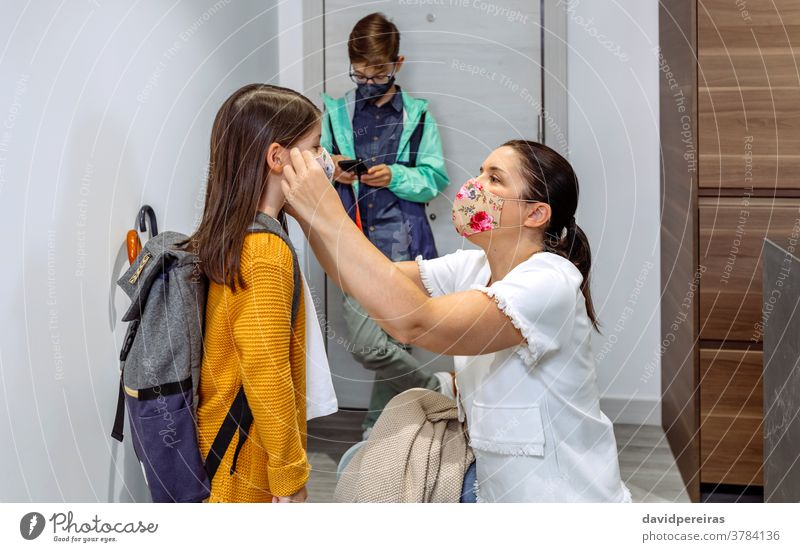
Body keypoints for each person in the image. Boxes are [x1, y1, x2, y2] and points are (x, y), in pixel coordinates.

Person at [280, 140, 633, 502]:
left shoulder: (548, 283)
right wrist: (305, 210)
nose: (474, 185)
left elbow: (416, 323)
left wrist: (328, 210)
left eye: (494, 179)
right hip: (493, 489)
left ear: (535, 214)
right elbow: (358, 276)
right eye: (480, 172)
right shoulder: (474, 267)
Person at [187, 84, 333, 503]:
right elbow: (267, 374)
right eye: (314, 147)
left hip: (228, 447)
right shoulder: (264, 251)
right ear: (277, 158)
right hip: (242, 462)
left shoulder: (238, 234)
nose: (323, 160)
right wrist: (290, 477)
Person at [321, 12, 451, 438]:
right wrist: (334, 169)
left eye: (378, 70)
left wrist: (394, 176)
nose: (369, 80)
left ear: (398, 62)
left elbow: (434, 179)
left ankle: (377, 435)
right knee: (368, 344)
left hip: (405, 243)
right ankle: (434, 392)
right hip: (354, 241)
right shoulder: (336, 113)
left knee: (397, 343)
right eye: (360, 72)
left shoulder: (418, 115)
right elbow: (317, 166)